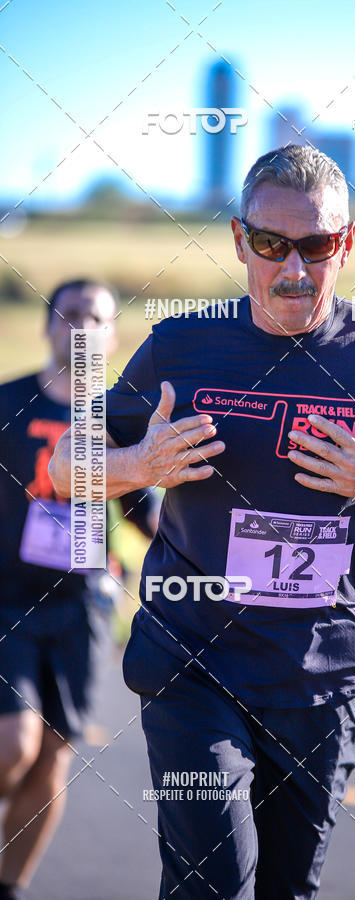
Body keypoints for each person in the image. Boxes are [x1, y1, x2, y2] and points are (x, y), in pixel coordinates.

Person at [50, 145, 355, 900]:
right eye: (271, 244)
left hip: (318, 675)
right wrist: (137, 466)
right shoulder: (181, 347)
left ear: (345, 243)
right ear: (238, 240)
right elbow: (65, 464)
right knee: (211, 885)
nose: (294, 268)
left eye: (317, 246)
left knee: (289, 891)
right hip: (192, 661)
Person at [0, 279, 158, 900]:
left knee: (53, 756)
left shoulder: (119, 419)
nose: (82, 328)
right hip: (5, 600)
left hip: (82, 606)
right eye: (70, 316)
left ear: (113, 335)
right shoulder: (8, 402)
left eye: (96, 318)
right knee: (15, 744)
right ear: (47, 326)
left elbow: (148, 516)